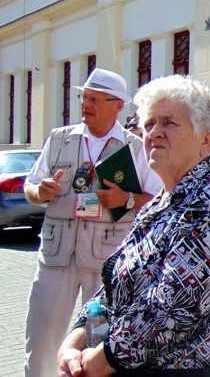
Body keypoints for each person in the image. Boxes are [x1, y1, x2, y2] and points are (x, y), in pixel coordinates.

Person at [55, 74, 210, 375]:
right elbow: (116, 282)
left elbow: (174, 306)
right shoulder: (159, 203)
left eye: (169, 123)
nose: (154, 133)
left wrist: (97, 362)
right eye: (149, 124)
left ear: (206, 140)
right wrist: (77, 335)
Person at [22, 68, 161, 377]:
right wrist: (40, 191)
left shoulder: (135, 147)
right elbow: (30, 187)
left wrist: (126, 199)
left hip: (106, 258)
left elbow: (157, 198)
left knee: (99, 337)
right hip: (57, 254)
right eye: (85, 97)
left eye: (96, 99)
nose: (87, 104)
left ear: (117, 105)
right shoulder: (60, 138)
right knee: (42, 336)